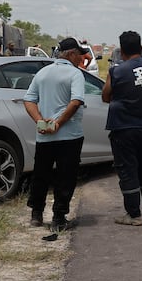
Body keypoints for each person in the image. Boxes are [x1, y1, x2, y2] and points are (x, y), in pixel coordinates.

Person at [23, 37, 88, 231]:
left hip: (45, 136)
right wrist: (58, 123)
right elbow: (76, 101)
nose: (82, 58)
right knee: (65, 176)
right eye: (79, 54)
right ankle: (59, 217)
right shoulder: (75, 74)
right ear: (70, 54)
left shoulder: (43, 73)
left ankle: (36, 214)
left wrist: (40, 122)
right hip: (69, 136)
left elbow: (29, 100)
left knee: (41, 174)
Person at [102, 30, 142, 226]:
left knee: (128, 171)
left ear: (122, 50)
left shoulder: (117, 71)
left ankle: (133, 215)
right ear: (141, 47)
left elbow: (105, 96)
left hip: (124, 128)